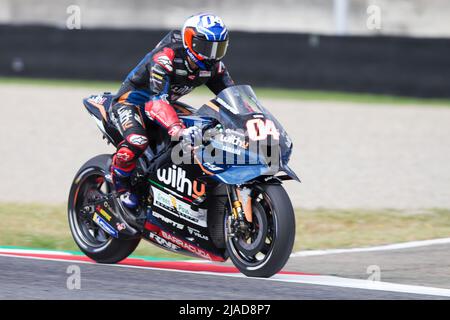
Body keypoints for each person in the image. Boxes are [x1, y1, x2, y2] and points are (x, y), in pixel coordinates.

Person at [110, 13, 234, 208]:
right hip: (132, 102)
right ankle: (121, 187)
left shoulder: (214, 66)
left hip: (165, 104)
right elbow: (156, 101)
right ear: (189, 40)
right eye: (206, 47)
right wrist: (177, 129)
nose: (212, 54)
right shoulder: (166, 57)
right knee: (137, 140)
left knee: (205, 128)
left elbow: (232, 96)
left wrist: (249, 120)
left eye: (218, 48)